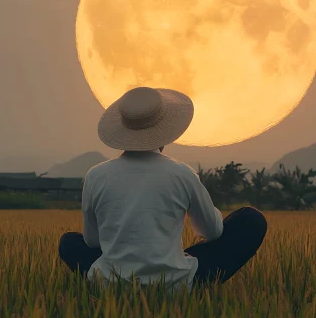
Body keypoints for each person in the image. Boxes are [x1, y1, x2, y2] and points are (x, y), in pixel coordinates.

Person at [58, 86, 268, 289]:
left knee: (69, 242)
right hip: (177, 284)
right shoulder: (182, 174)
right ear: (166, 131)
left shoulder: (95, 175)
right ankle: (175, 264)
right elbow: (211, 232)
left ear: (122, 129)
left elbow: (93, 242)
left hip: (110, 283)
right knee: (251, 220)